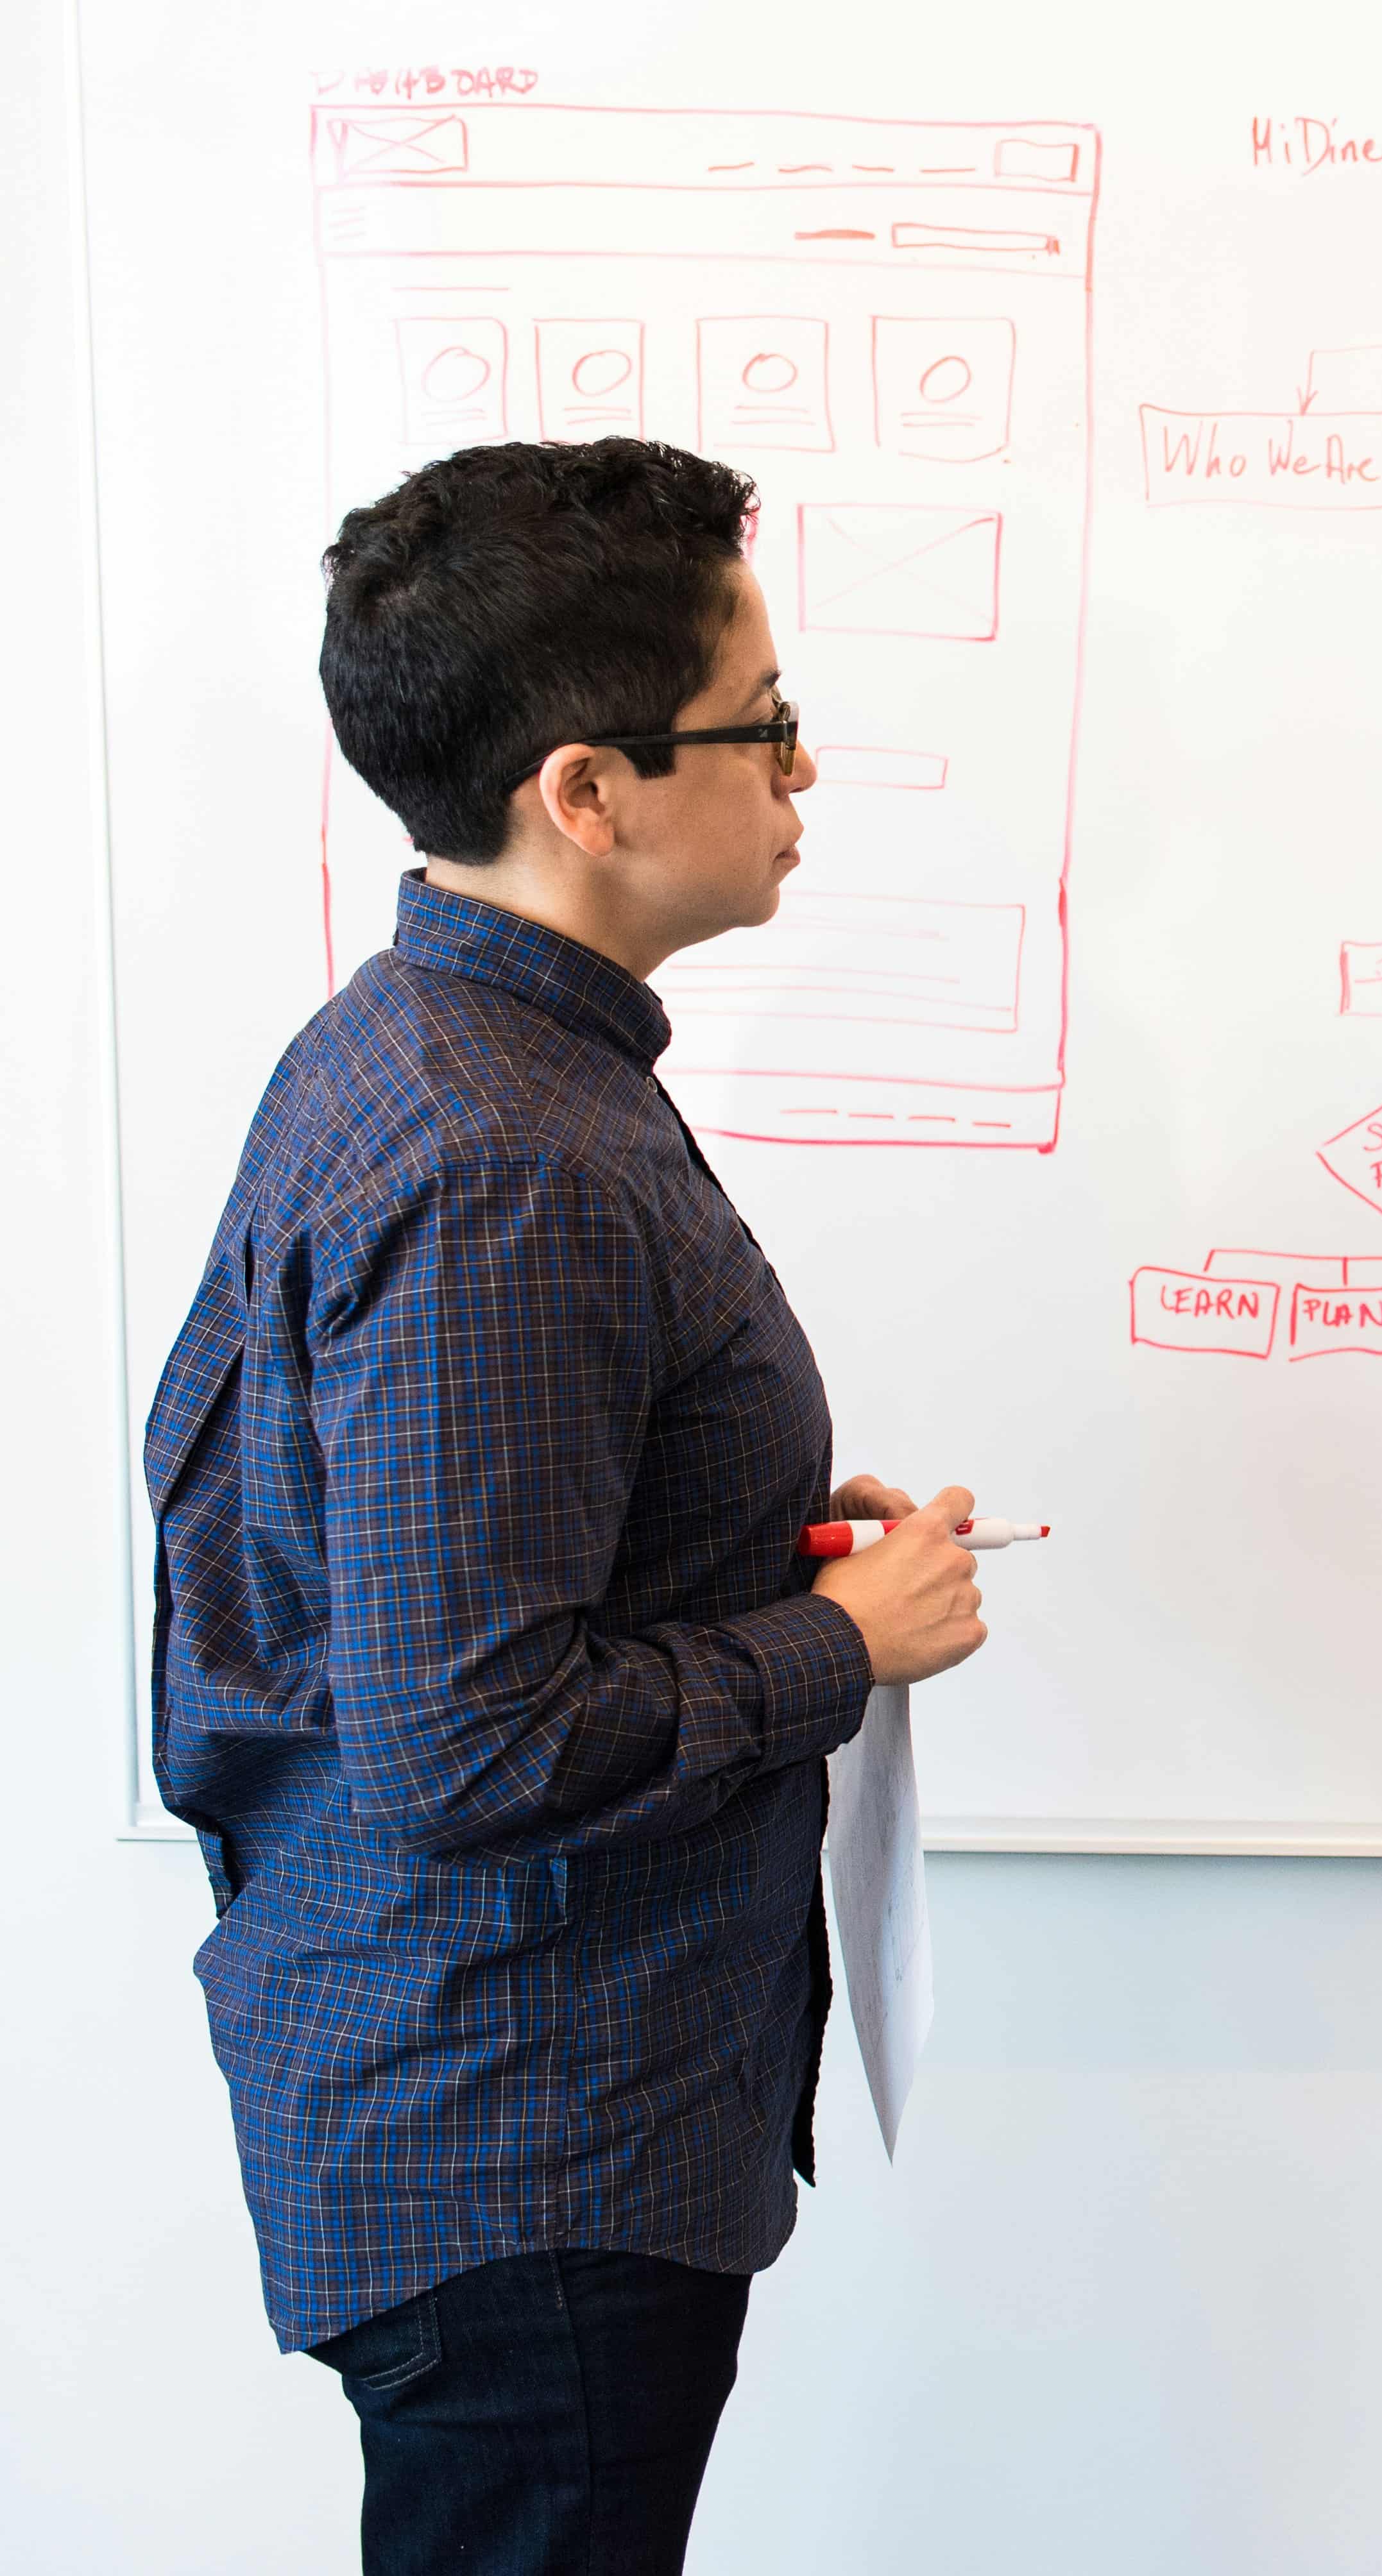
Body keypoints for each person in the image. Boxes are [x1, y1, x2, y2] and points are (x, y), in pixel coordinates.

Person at [143, 437, 994, 2575]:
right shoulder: (499, 1158)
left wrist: (751, 1555)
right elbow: (474, 1736)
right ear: (588, 792)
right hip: (522, 2147)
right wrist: (844, 1647)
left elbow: (446, 1594)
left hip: (500, 2111)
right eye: (767, 727)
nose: (805, 774)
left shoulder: (459, 1060)